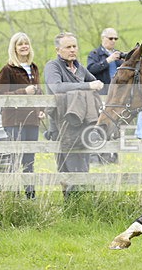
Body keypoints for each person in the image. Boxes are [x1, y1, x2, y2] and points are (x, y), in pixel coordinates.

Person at [44, 32, 104, 194]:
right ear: (58, 50)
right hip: (61, 125)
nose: (72, 50)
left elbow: (97, 84)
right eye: (68, 47)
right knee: (68, 169)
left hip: (82, 124)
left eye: (74, 46)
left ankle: (84, 203)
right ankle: (71, 205)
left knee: (83, 165)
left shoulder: (80, 68)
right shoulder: (53, 66)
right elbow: (57, 87)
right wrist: (87, 87)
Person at [0, 32, 44, 199]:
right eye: (20, 44)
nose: (24, 46)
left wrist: (41, 108)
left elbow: (39, 91)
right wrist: (23, 91)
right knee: (16, 158)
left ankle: (30, 195)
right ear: (14, 48)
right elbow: (2, 95)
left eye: (26, 43)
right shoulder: (7, 69)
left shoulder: (34, 67)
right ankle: (14, 195)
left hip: (32, 119)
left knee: (29, 159)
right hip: (14, 120)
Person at [86, 27, 122, 94]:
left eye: (115, 39)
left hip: (119, 90)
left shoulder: (119, 53)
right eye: (110, 38)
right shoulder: (94, 54)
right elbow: (90, 70)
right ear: (103, 38)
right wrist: (108, 60)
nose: (113, 41)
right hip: (103, 91)